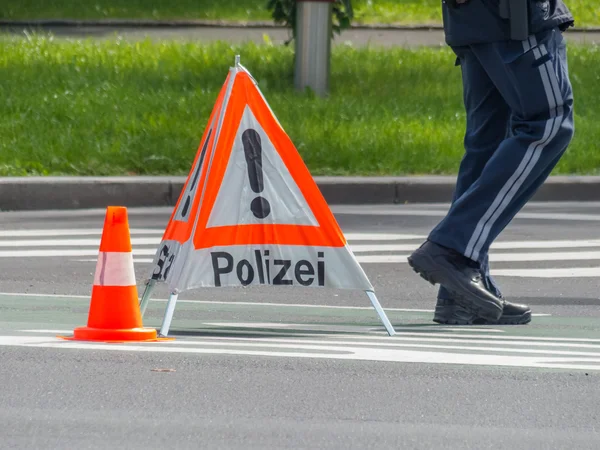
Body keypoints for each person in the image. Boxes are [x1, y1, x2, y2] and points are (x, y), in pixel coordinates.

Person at [408, 0, 575, 325]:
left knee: (489, 143)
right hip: (512, 15)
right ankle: (452, 249)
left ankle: (460, 293)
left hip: (475, 18)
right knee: (549, 122)